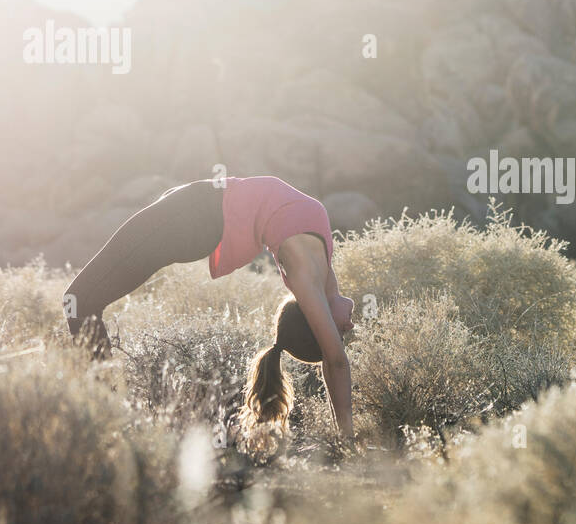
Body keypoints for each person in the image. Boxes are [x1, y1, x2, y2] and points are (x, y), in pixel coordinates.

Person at [63, 176, 356, 445]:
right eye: (341, 332)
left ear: (317, 317)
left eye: (338, 333)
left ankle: (105, 422)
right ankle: (108, 418)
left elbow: (336, 362)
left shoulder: (304, 271)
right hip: (192, 210)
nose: (350, 328)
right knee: (83, 300)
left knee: (79, 300)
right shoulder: (322, 269)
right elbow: (332, 349)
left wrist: (346, 437)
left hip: (193, 218)